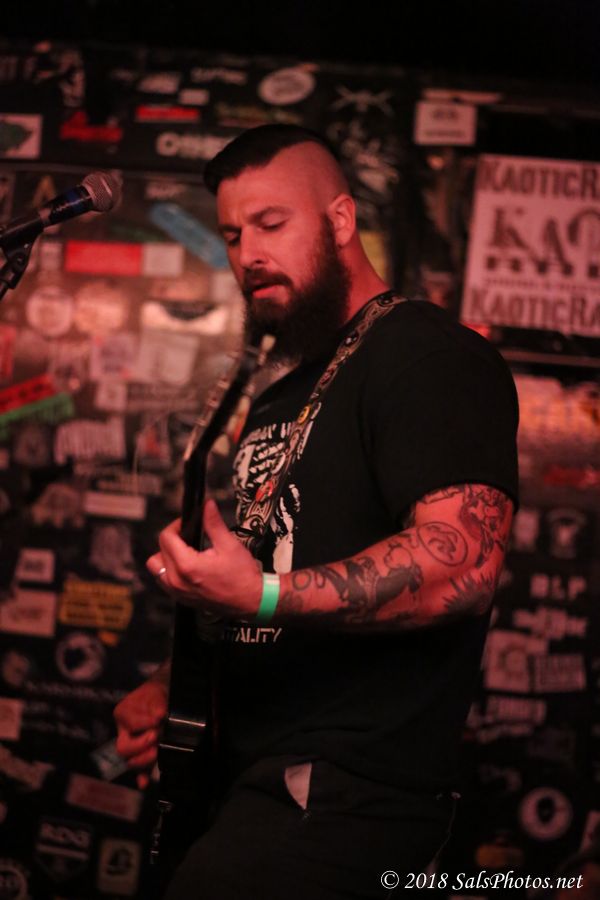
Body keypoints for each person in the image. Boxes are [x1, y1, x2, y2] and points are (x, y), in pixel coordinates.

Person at [114, 124, 519, 899]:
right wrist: (175, 687)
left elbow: (462, 565)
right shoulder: (283, 392)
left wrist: (260, 596)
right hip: (244, 773)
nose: (248, 254)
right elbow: (262, 578)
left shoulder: (427, 356)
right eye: (233, 235)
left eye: (272, 224)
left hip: (347, 790)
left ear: (339, 220)